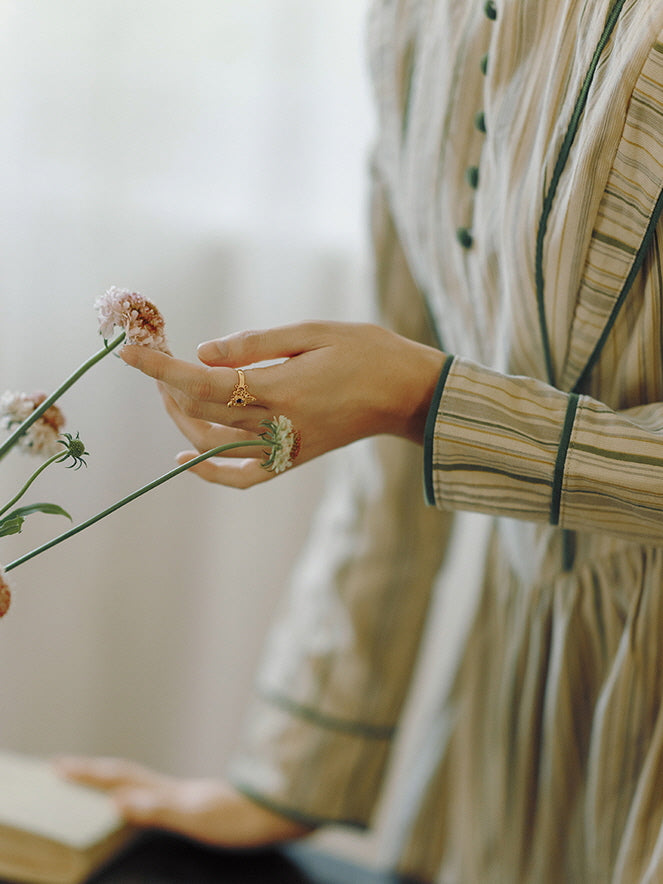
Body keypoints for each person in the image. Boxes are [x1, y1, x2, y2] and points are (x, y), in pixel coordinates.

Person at [58, 1, 663, 881]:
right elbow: (387, 456)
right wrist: (288, 775)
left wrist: (430, 402)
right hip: (504, 743)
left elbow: (406, 396)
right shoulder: (412, 21)